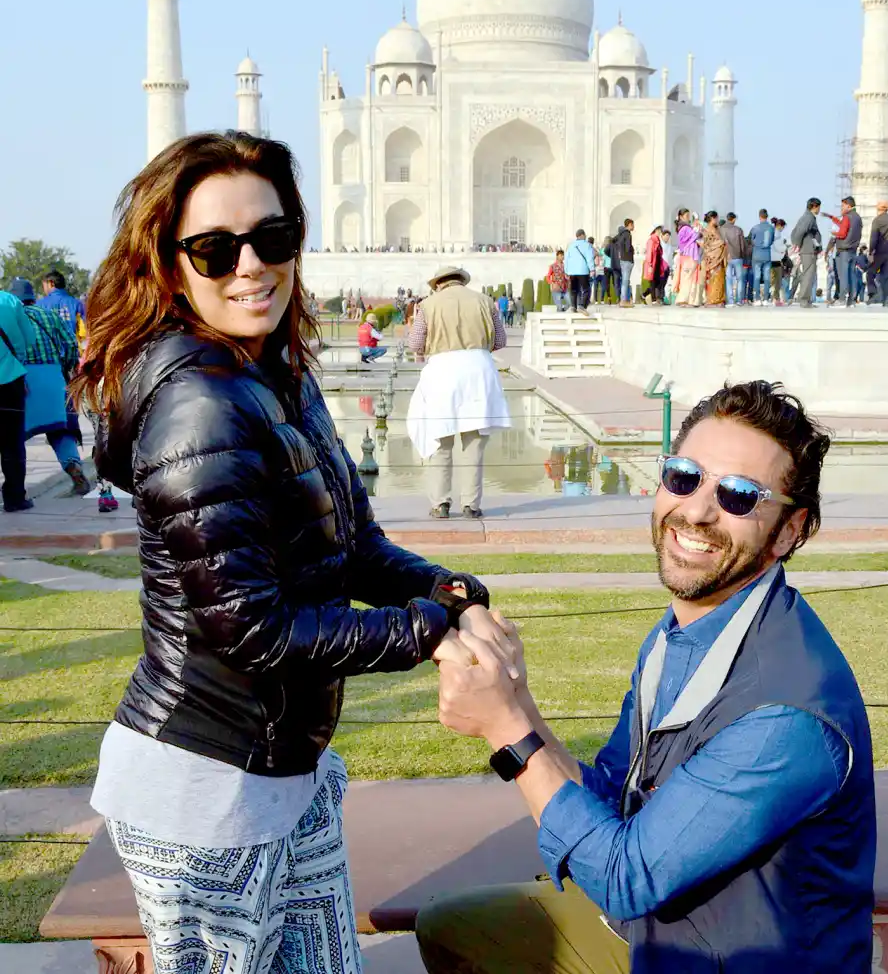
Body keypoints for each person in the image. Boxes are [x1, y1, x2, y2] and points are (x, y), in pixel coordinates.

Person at [74, 131, 509, 974]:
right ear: (170, 265)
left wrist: (443, 589)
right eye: (215, 248)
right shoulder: (198, 406)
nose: (251, 266)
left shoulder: (277, 373)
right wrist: (424, 630)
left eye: (272, 238)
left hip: (283, 771)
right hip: (202, 792)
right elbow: (254, 631)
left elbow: (352, 543)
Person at [419, 380, 877, 974]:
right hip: (662, 938)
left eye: (739, 495)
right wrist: (516, 698)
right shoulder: (684, 633)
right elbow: (613, 794)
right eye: (685, 477)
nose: (697, 511)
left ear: (790, 530)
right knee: (450, 928)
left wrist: (506, 730)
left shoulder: (786, 717)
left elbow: (625, 878)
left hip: (734, 959)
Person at [407, 265, 512, 519]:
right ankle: (471, 505)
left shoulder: (428, 305)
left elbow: (415, 344)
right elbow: (500, 340)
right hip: (478, 369)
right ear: (461, 282)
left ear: (438, 284)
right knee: (474, 441)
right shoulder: (484, 301)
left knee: (440, 439)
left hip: (442, 371)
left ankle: (441, 504)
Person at [8, 278, 91, 496]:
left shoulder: (9, 317)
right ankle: (73, 466)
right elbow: (71, 344)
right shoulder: (48, 315)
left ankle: (16, 489)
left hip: (22, 380)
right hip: (53, 377)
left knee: (13, 436)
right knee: (60, 430)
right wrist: (65, 368)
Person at [0, 286, 34, 512]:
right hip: (9, 378)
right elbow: (29, 338)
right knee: (12, 443)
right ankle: (14, 498)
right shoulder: (10, 301)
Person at [822, 196, 863, 307]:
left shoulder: (847, 217)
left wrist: (834, 233)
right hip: (853, 250)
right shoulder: (858, 218)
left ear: (848, 206)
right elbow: (844, 226)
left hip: (844, 250)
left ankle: (841, 299)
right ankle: (852, 300)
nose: (841, 208)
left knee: (843, 276)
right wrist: (831, 217)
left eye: (843, 206)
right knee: (852, 276)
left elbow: (842, 233)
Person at [790, 198, 823, 307]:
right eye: (819, 207)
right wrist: (797, 244)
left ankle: (806, 300)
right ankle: (804, 300)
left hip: (809, 250)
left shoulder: (807, 217)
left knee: (809, 275)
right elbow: (799, 232)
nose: (819, 210)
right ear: (814, 206)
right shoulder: (808, 218)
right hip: (808, 250)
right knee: (808, 275)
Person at [671, 209, 702, 306]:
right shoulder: (685, 228)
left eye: (689, 216)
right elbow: (695, 235)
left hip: (689, 255)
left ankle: (690, 300)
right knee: (688, 278)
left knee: (691, 277)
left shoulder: (685, 227)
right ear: (681, 217)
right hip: (688, 255)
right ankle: (683, 299)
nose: (688, 218)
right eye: (686, 216)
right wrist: (697, 226)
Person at [564, 230, 596, 313]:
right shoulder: (587, 245)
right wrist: (592, 269)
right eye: (585, 235)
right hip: (583, 271)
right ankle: (582, 306)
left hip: (572, 272)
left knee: (573, 290)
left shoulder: (571, 245)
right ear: (582, 235)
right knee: (586, 289)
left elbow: (566, 259)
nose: (585, 236)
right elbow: (589, 258)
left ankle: (573, 307)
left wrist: (566, 271)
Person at [748, 209, 775, 303]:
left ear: (759, 216)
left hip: (756, 255)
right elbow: (772, 240)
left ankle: (757, 299)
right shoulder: (771, 228)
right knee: (767, 277)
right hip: (767, 255)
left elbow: (751, 240)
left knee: (757, 277)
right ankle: (766, 299)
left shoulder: (755, 228)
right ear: (767, 216)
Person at [701, 212, 727, 306]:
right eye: (716, 218)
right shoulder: (711, 230)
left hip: (712, 258)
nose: (717, 220)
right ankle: (714, 300)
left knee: (715, 279)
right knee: (716, 279)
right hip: (715, 258)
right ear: (712, 218)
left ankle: (715, 300)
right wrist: (722, 243)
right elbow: (715, 243)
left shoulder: (710, 229)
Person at [719, 212, 745, 305]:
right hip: (737, 257)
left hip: (726, 257)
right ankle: (739, 300)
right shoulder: (738, 229)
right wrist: (743, 255)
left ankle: (730, 301)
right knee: (740, 279)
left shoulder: (721, 229)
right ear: (733, 219)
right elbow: (742, 245)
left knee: (728, 279)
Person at [611, 219, 635, 304]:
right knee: (625, 281)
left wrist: (619, 252)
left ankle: (624, 299)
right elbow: (628, 248)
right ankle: (624, 300)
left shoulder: (620, 234)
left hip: (622, 260)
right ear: (629, 224)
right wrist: (632, 249)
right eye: (633, 225)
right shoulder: (627, 234)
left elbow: (612, 240)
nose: (634, 227)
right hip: (627, 259)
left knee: (625, 281)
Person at [641, 225, 666, 304]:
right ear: (656, 230)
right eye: (660, 230)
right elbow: (649, 253)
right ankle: (653, 300)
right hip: (652, 264)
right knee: (653, 282)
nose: (661, 232)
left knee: (658, 282)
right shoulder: (651, 240)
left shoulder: (657, 240)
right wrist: (650, 265)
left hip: (658, 264)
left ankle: (645, 294)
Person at [769, 218, 789, 304]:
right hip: (776, 260)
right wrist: (785, 247)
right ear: (780, 226)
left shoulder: (772, 232)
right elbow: (778, 247)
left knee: (774, 281)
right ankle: (775, 299)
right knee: (777, 282)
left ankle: (774, 298)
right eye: (783, 227)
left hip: (771, 259)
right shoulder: (777, 234)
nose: (783, 229)